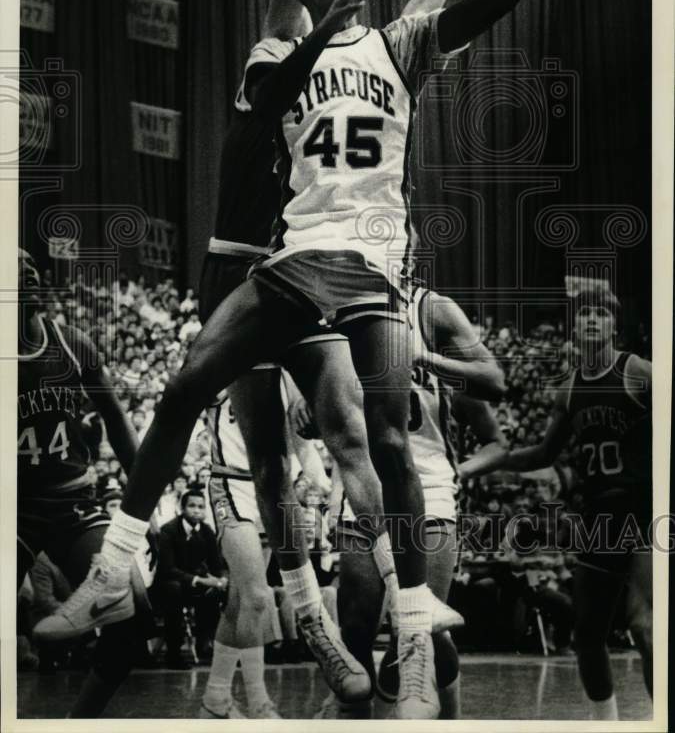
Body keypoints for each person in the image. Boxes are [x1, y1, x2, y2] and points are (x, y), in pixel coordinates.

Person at [40, 0, 625, 721]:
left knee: (382, 438)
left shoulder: (401, 47)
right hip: (289, 259)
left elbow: (493, 1)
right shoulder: (279, 51)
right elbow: (278, 73)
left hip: (369, 269)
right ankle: (114, 567)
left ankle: (412, 608)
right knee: (188, 382)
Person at [309, 285, 507, 719]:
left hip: (429, 487)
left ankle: (448, 716)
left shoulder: (430, 310)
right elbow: (315, 413)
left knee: (422, 631)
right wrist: (310, 407)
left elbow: (495, 382)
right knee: (356, 626)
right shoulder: (338, 307)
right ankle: (349, 712)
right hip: (363, 486)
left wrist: (421, 356)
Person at [492, 285, 652, 719]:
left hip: (644, 510)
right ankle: (608, 723)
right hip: (599, 514)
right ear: (573, 328)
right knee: (586, 633)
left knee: (644, 624)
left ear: (614, 325)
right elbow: (544, 454)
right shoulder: (569, 388)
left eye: (601, 313)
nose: (593, 319)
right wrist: (492, 461)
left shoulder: (639, 372)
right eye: (585, 314)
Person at [17, 249, 144, 718]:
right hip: (14, 506)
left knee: (132, 618)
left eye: (28, 262)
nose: (26, 266)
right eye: (11, 265)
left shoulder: (71, 343)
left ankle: (79, 722)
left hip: (74, 502)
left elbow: (119, 424)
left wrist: (141, 503)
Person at [200, 369, 330, 719]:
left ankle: (215, 696)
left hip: (274, 490)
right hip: (231, 484)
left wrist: (322, 488)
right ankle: (259, 702)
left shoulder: (289, 372)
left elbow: (304, 445)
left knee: (240, 599)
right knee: (258, 597)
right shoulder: (226, 357)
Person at [152, 488, 225, 668]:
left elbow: (217, 565)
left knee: (219, 592)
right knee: (173, 590)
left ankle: (207, 643)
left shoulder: (207, 531)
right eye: (192, 506)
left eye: (201, 506)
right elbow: (167, 569)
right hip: (170, 584)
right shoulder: (168, 531)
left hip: (197, 583)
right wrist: (200, 580)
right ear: (182, 508)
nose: (197, 510)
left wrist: (221, 579)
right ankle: (173, 653)